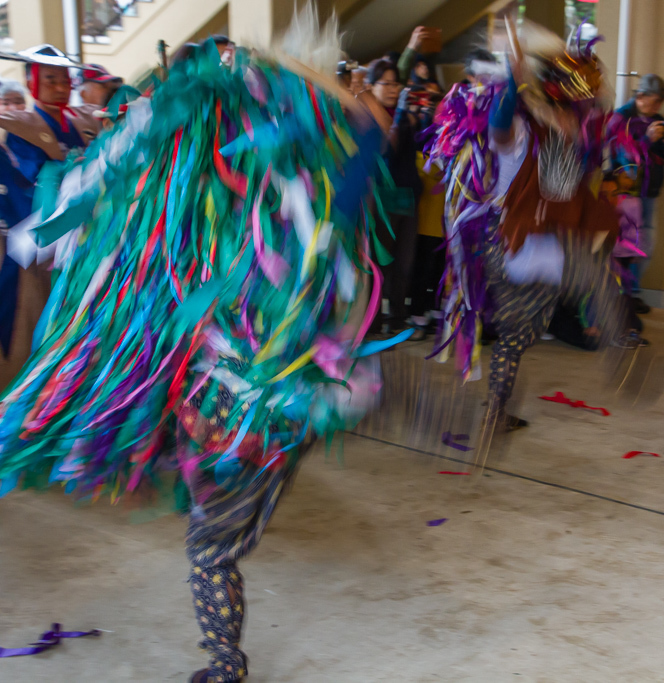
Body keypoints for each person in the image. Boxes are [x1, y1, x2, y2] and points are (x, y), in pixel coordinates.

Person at [0, 30, 389, 683]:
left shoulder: (161, 235)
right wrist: (286, 72)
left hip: (228, 424)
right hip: (294, 415)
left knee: (210, 551)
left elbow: (50, 233)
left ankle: (225, 664)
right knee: (233, 506)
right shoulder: (309, 215)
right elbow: (372, 131)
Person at [424, 21, 626, 429]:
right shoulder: (516, 130)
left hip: (517, 246)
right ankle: (623, 352)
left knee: (518, 337)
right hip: (523, 242)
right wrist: (517, 83)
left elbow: (575, 160)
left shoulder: (559, 134)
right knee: (595, 278)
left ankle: (496, 414)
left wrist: (563, 112)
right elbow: (502, 123)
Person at [0, 45, 100, 391]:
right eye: (50, 80)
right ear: (32, 82)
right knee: (40, 318)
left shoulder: (84, 122)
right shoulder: (21, 128)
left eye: (64, 80)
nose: (60, 87)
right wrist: (71, 174)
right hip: (44, 240)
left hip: (90, 237)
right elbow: (30, 180)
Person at [359, 59, 427, 334]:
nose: (391, 88)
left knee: (405, 263)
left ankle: (398, 320)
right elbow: (388, 150)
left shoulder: (406, 115)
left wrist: (419, 117)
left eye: (395, 83)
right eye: (385, 83)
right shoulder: (368, 116)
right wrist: (399, 115)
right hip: (381, 197)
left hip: (408, 197)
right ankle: (373, 324)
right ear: (372, 87)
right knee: (379, 262)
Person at [606, 73, 664, 309]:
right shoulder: (621, 118)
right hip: (626, 192)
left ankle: (632, 292)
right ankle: (624, 295)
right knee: (626, 244)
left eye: (660, 103)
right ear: (640, 96)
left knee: (646, 244)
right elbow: (625, 157)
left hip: (650, 191)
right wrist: (647, 139)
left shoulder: (659, 120)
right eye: (655, 101)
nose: (658, 107)